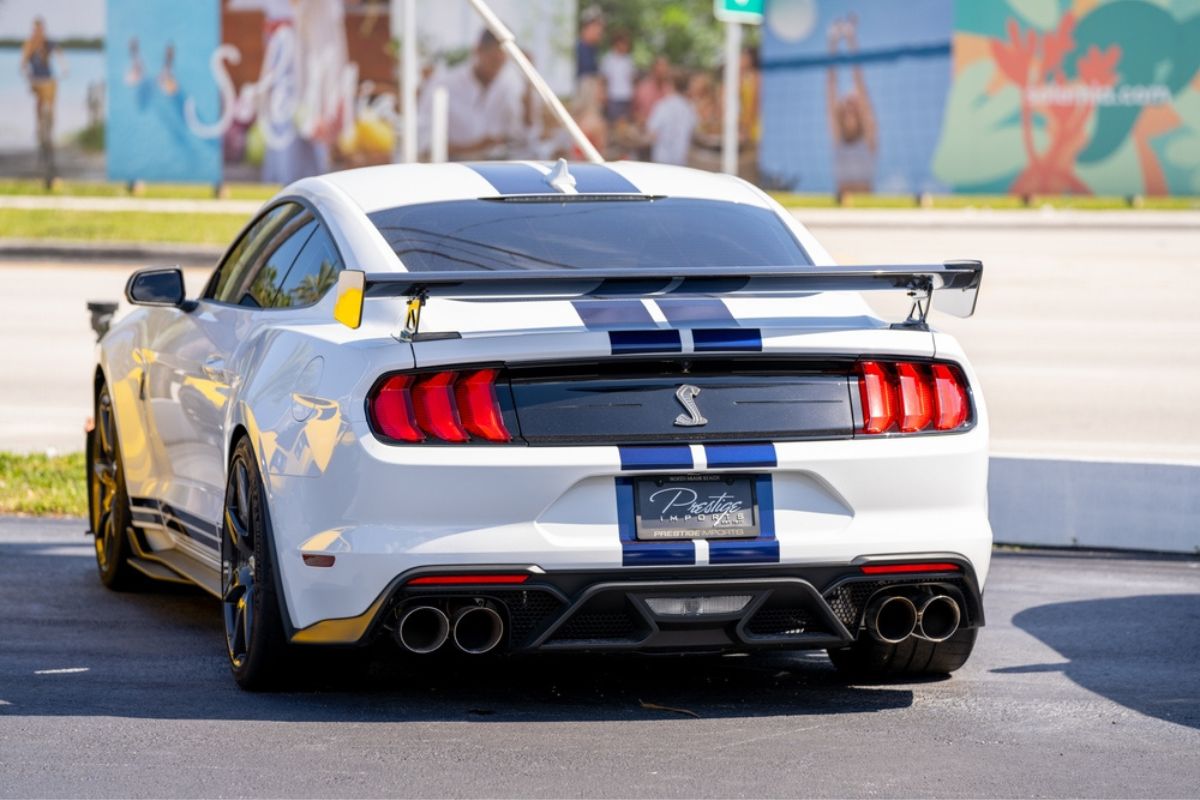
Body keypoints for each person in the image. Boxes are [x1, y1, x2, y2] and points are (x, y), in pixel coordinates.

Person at [420, 31, 523, 160]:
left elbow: (521, 137)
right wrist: (474, 148)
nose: (497, 68)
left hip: (497, 170)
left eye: (502, 62)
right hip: (451, 170)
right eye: (493, 60)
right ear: (478, 50)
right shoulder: (443, 84)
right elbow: (424, 144)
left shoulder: (510, 87)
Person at [826, 14, 877, 196]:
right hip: (842, 206)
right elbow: (831, 87)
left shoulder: (869, 137)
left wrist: (850, 39)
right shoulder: (838, 136)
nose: (850, 105)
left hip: (867, 206)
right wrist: (833, 42)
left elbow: (860, 84)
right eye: (847, 101)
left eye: (854, 103)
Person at [20, 17, 67, 188]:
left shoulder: (49, 43)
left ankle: (50, 125)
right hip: (37, 80)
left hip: (48, 79)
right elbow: (23, 62)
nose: (38, 32)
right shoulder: (30, 44)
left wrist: (64, 69)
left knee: (51, 101)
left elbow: (60, 55)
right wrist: (26, 73)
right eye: (36, 29)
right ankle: (40, 126)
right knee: (40, 101)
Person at [645, 71, 696, 166]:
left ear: (670, 85)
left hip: (662, 159)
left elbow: (652, 132)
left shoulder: (662, 106)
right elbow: (693, 130)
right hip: (681, 160)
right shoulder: (689, 107)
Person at [599, 30, 635, 123]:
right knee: (614, 123)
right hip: (613, 97)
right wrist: (604, 95)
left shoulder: (628, 60)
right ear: (617, 43)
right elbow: (604, 79)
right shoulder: (608, 59)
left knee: (624, 123)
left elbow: (631, 78)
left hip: (626, 96)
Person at [633, 55, 670, 126]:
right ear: (653, 69)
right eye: (660, 67)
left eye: (665, 67)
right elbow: (634, 111)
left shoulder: (670, 90)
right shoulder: (642, 88)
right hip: (645, 128)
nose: (662, 70)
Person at [575, 6, 604, 86]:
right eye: (597, 25)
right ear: (586, 27)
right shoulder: (576, 48)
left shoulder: (594, 49)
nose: (600, 31)